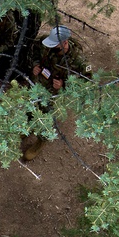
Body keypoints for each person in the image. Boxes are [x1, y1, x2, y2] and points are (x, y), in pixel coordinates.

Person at [22, 25, 92, 160]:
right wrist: (35, 65)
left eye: (55, 45)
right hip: (39, 86)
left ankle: (41, 142)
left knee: (47, 119)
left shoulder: (79, 61)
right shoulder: (46, 43)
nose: (51, 47)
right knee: (31, 108)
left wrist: (64, 85)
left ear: (65, 43)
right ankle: (28, 128)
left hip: (55, 96)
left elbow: (86, 83)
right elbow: (35, 50)